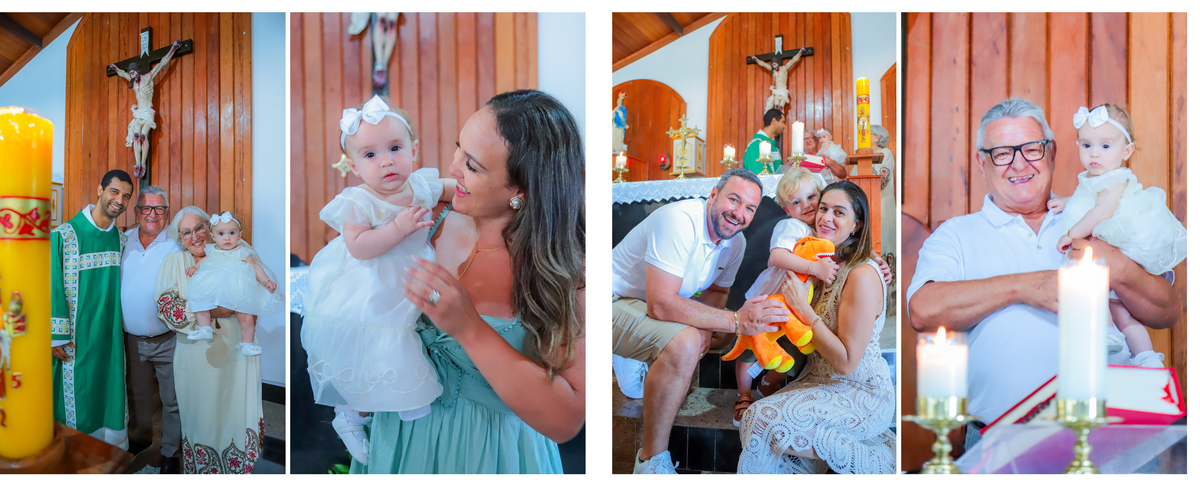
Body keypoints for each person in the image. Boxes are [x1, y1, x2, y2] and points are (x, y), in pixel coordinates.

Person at [907, 98, 1181, 445]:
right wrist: (1027, 286)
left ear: (1051, 152)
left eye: (1032, 149)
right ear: (982, 161)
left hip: (1117, 435)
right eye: (1002, 153)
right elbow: (922, 310)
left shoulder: (1098, 219)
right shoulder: (955, 234)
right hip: (1000, 442)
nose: (1019, 163)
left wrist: (1117, 263)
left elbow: (1167, 311)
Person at [350, 89, 585, 474]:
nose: (453, 166)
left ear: (520, 190)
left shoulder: (567, 270)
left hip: (491, 453)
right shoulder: (424, 218)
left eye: (472, 166)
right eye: (459, 147)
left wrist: (469, 329)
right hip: (398, 442)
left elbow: (566, 420)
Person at [301, 94, 454, 464]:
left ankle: (404, 397)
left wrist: (477, 195)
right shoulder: (358, 201)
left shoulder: (420, 186)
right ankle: (350, 414)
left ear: (414, 151)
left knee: (409, 337)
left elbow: (453, 190)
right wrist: (399, 228)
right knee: (375, 343)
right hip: (368, 284)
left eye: (395, 148)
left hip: (413, 276)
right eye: (370, 155)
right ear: (353, 166)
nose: (386, 160)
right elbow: (359, 247)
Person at [612, 168, 791, 474]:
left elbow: (718, 289)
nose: (739, 213)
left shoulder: (736, 244)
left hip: (645, 307)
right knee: (686, 343)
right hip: (608, 301)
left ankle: (646, 361)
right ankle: (650, 463)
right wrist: (737, 321)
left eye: (749, 208)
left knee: (707, 336)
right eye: (733, 200)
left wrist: (708, 326)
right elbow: (661, 303)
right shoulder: (680, 220)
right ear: (712, 195)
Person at [738, 181, 896, 474]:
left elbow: (848, 363)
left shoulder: (861, 275)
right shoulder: (820, 261)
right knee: (757, 421)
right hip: (819, 381)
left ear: (856, 224)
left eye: (839, 212)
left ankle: (874, 459)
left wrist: (803, 310)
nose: (825, 217)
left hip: (859, 390)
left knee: (759, 419)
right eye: (823, 208)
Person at [1045, 104, 1186, 367]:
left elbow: (1101, 210)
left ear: (1127, 151)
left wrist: (1070, 233)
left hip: (1122, 241)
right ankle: (1142, 356)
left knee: (1109, 303)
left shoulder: (1116, 179)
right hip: (1109, 246)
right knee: (1119, 312)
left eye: (1105, 146)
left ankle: (1134, 349)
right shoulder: (1095, 177)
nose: (1094, 153)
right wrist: (1066, 201)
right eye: (1086, 146)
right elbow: (1086, 198)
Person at [156, 207, 263, 474]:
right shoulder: (176, 263)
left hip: (238, 350)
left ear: (210, 228)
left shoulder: (241, 252)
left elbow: (260, 291)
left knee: (237, 410)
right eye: (186, 233)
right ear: (181, 239)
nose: (195, 236)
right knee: (201, 415)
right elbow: (168, 309)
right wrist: (216, 310)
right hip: (197, 355)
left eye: (199, 228)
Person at [730, 169, 832, 425]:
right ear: (787, 209)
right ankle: (743, 394)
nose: (806, 205)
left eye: (811, 197)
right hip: (767, 299)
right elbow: (776, 257)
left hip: (793, 308)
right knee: (751, 348)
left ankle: (767, 383)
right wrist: (813, 268)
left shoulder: (821, 229)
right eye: (796, 202)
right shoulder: (792, 225)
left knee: (799, 352)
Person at [51, 169, 133, 448]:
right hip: (76, 337)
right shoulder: (64, 236)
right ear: (100, 189)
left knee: (107, 388)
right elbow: (51, 285)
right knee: (78, 393)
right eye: (114, 191)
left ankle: (106, 452)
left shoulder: (120, 241)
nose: (119, 200)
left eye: (126, 196)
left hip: (109, 337)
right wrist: (57, 335)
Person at [120, 185, 182, 472]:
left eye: (159, 208)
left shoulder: (178, 243)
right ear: (137, 212)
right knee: (138, 395)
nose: (153, 214)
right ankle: (140, 441)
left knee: (172, 400)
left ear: (167, 212)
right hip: (131, 339)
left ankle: (170, 452)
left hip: (169, 338)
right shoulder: (123, 242)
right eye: (147, 208)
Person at [185, 211, 282, 356]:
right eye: (221, 234)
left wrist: (266, 281)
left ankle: (247, 343)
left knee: (246, 318)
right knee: (200, 299)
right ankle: (204, 328)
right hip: (215, 287)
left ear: (240, 235)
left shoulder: (242, 251)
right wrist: (195, 267)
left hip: (239, 290)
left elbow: (256, 267)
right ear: (213, 236)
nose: (227, 238)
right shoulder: (212, 250)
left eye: (232, 232)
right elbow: (204, 261)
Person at [108, 40, 182, 179]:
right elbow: (122, 74)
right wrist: (116, 69)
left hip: (148, 111)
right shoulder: (133, 83)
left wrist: (173, 49)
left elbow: (161, 64)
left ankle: (143, 162)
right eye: (130, 73)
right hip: (138, 112)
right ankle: (138, 164)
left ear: (137, 71)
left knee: (143, 135)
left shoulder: (148, 77)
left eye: (133, 73)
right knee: (136, 135)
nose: (131, 75)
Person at [742, 109, 785, 174]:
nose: (784, 126)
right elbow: (759, 175)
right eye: (782, 122)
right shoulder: (755, 145)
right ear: (774, 121)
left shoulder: (775, 148)